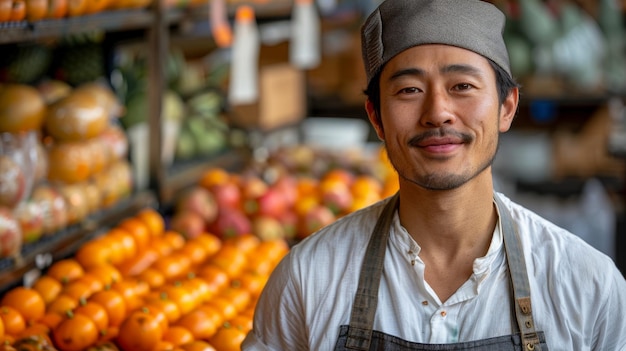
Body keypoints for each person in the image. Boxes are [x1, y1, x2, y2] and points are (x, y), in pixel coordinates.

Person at [241, 0, 626, 350]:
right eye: (409, 89)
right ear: (376, 117)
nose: (438, 112)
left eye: (463, 86)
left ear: (507, 108)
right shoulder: (308, 279)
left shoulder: (587, 285)